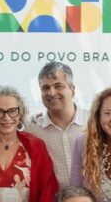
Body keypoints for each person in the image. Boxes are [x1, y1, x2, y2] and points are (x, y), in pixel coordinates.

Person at [27, 61, 88, 190]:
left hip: (93, 200)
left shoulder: (93, 122)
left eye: (58, 86)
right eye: (45, 88)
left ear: (72, 90)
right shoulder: (33, 129)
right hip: (53, 201)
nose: (51, 93)